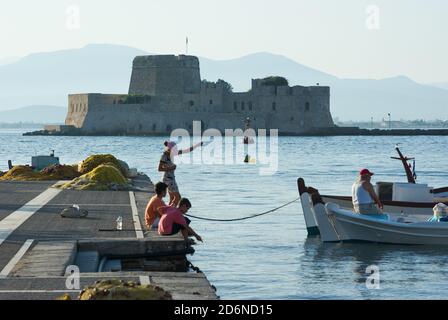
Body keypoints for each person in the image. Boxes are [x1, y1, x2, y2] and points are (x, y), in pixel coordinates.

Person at [158, 140, 203, 206]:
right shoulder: (164, 156)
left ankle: (168, 212)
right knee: (178, 198)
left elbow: (187, 150)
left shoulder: (173, 153)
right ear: (169, 149)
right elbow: (159, 169)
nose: (175, 151)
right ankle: (171, 212)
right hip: (168, 179)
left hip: (170, 178)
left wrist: (197, 145)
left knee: (172, 198)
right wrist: (171, 168)